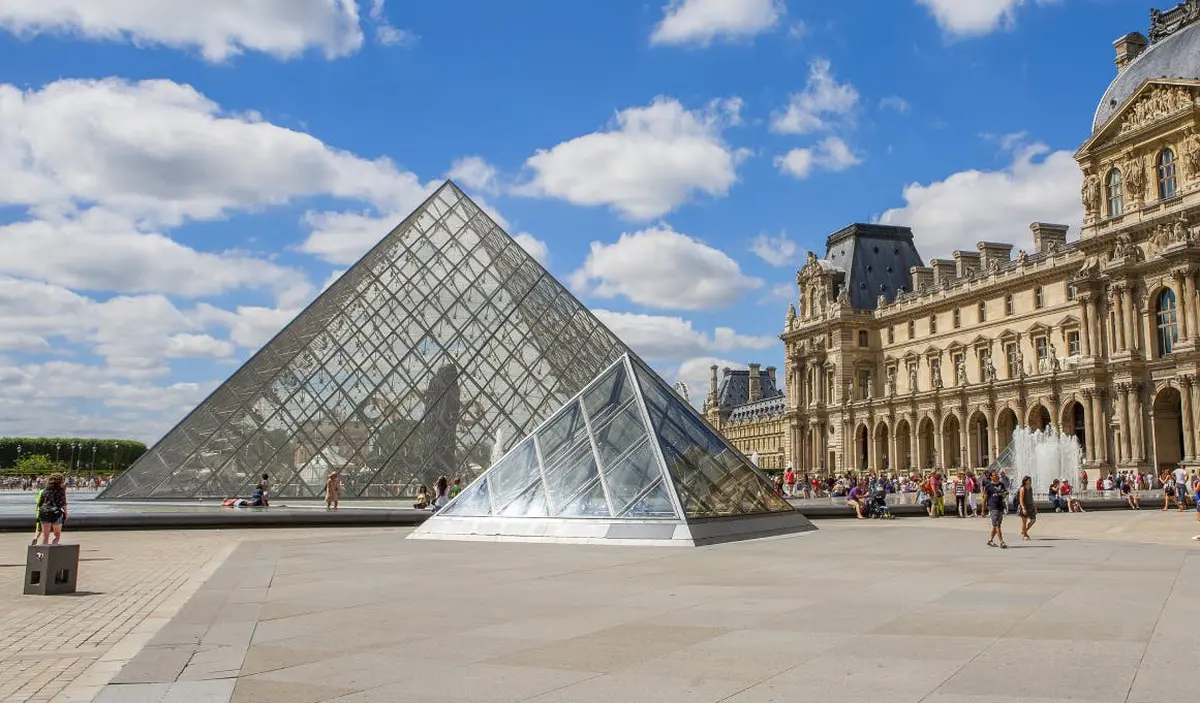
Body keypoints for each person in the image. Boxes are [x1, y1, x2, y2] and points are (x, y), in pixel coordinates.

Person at [36, 474, 68, 545]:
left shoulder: (44, 490)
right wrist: (66, 513)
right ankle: (54, 549)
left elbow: (40, 504)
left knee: (45, 537)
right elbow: (63, 503)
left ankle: (44, 554)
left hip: (44, 512)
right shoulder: (61, 491)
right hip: (56, 513)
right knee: (57, 536)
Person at [984, 471, 1008, 549]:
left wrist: (1004, 494)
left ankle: (990, 540)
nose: (997, 476)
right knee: (997, 525)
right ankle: (1001, 542)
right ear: (991, 477)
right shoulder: (988, 486)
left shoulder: (1001, 484)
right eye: (994, 475)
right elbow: (985, 498)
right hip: (993, 507)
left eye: (997, 475)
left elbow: (1004, 494)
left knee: (996, 525)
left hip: (1000, 506)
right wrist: (982, 510)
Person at [1017, 475, 1036, 541]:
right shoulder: (1022, 488)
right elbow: (1021, 499)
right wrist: (1023, 508)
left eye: (1030, 480)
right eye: (1029, 480)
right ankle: (1025, 535)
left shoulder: (1030, 488)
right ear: (1025, 481)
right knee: (1024, 522)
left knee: (1033, 520)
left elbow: (1031, 498)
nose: (1030, 481)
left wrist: (1035, 506)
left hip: (1030, 506)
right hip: (1024, 506)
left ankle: (1024, 531)